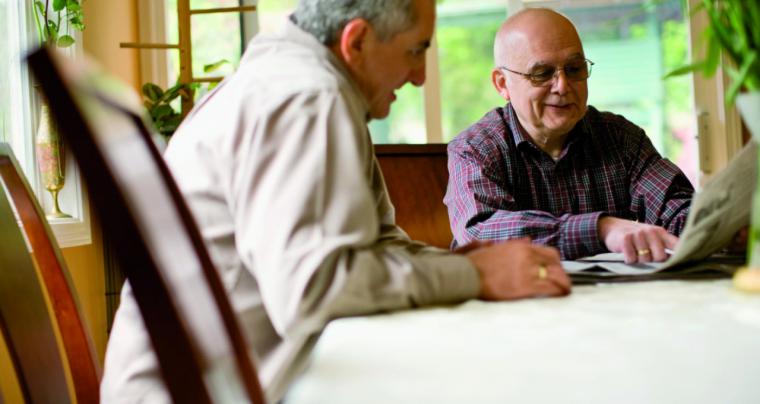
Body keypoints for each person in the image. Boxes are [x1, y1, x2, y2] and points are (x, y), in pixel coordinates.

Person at [100, 1, 571, 402]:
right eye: (415, 50)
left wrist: (467, 262)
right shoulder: (309, 97)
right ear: (357, 41)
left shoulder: (301, 83)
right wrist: (473, 275)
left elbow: (377, 245)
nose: (420, 77)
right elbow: (315, 288)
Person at [445, 8, 694, 265]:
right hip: (518, 301)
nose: (563, 86)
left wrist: (710, 225)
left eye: (574, 69)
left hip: (615, 299)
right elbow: (479, 235)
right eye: (542, 74)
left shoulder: (621, 138)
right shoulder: (474, 149)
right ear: (502, 83)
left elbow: (677, 206)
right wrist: (602, 229)